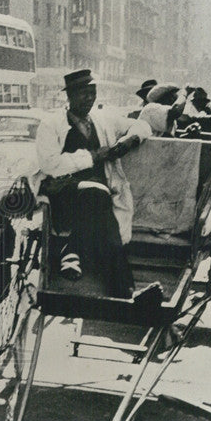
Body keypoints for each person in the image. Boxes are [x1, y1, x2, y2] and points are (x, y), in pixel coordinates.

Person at [34, 69, 152, 298]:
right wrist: (93, 157)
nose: (89, 98)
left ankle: (73, 250)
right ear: (68, 96)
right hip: (63, 196)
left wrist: (131, 140)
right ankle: (125, 289)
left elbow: (143, 125)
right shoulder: (50, 124)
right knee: (98, 196)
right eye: (82, 93)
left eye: (92, 92)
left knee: (99, 201)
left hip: (97, 202)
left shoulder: (103, 120)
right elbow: (50, 165)